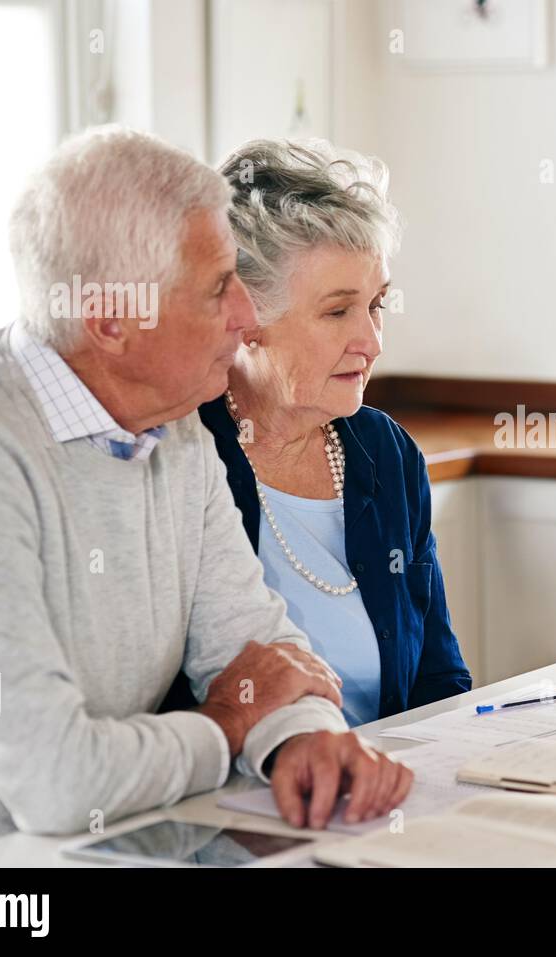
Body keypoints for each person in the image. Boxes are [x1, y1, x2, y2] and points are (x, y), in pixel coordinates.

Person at [0, 127, 411, 864]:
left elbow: (261, 650)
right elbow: (56, 779)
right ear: (111, 320)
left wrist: (307, 739)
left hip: (125, 845)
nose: (245, 316)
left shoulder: (176, 427)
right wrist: (229, 724)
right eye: (217, 289)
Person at [181, 138, 471, 728]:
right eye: (338, 311)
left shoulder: (386, 454)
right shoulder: (184, 457)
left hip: (381, 799)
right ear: (247, 318)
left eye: (378, 305)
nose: (372, 340)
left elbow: (438, 680)